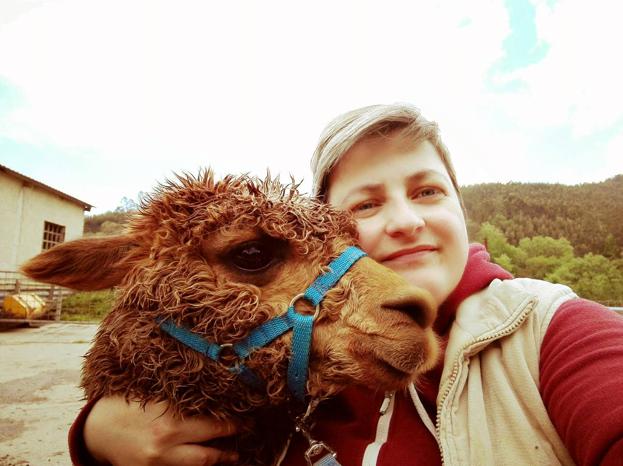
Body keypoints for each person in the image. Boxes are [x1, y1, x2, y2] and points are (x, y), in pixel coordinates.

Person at [69, 104, 623, 465]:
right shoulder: (291, 372)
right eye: (367, 202)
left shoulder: (554, 334)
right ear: (327, 231)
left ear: (460, 206)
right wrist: (101, 434)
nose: (406, 220)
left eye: (428, 191)